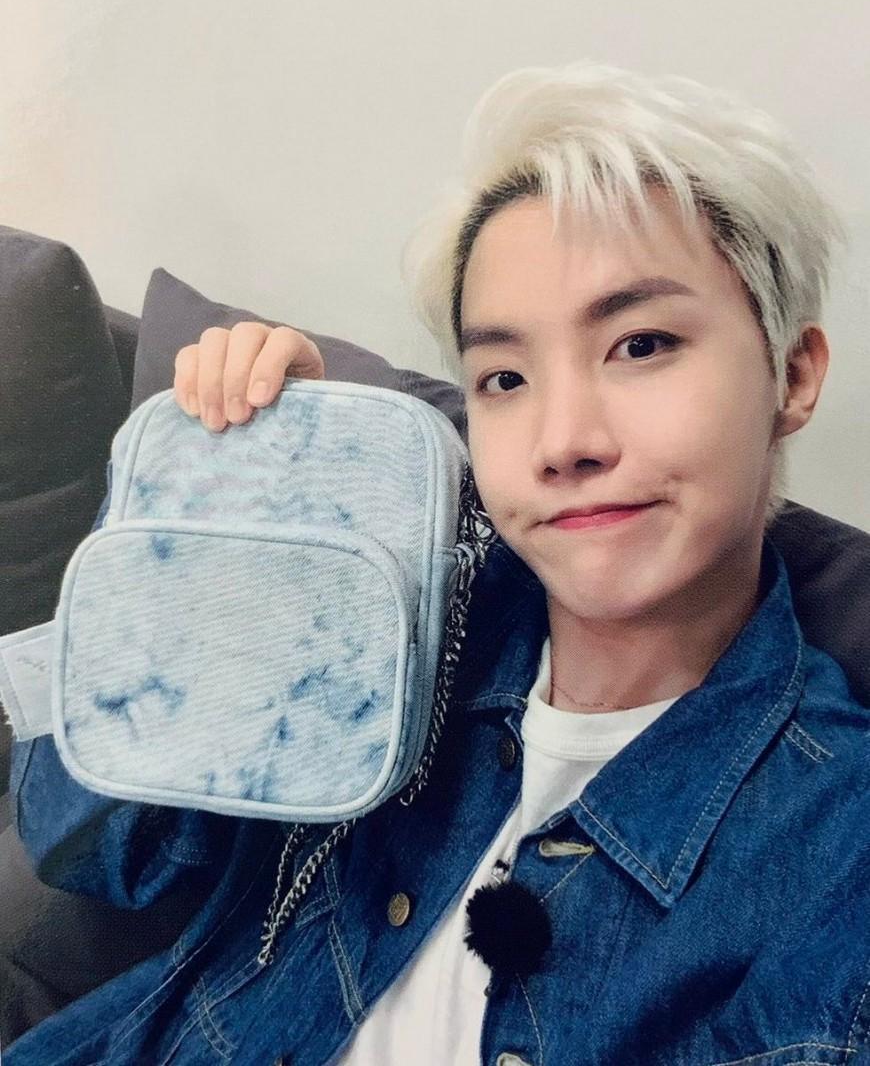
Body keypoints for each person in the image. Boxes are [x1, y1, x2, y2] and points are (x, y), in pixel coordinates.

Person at [7, 61, 870, 1065]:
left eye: (640, 345)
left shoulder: (835, 854)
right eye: (503, 377)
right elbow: (90, 848)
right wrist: (242, 521)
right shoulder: (402, 621)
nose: (563, 441)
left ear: (791, 375)